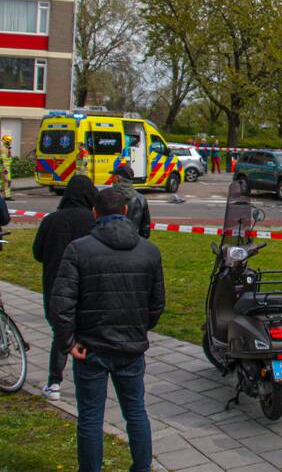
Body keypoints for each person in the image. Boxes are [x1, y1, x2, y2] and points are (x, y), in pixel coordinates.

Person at [51, 188, 165, 472]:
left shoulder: (79, 249)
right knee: (136, 412)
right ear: (126, 211)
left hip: (92, 345)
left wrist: (68, 340)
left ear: (94, 212)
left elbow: (61, 303)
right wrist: (139, 327)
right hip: (128, 345)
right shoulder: (149, 251)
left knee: (90, 416)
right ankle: (142, 467)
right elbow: (157, 303)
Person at [32, 174, 99, 402]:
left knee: (60, 334)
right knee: (87, 334)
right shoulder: (93, 221)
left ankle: (54, 382)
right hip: (87, 288)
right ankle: (88, 383)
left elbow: (38, 253)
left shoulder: (51, 220)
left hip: (55, 285)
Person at [110, 164, 151, 238]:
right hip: (133, 241)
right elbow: (145, 229)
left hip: (111, 242)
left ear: (118, 178)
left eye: (113, 176)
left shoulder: (109, 196)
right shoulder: (141, 199)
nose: (111, 179)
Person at [0, 134, 14, 200]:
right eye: (9, 141)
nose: (10, 142)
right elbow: (4, 160)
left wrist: (10, 154)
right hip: (5, 169)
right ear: (6, 141)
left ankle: (6, 195)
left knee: (6, 182)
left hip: (6, 168)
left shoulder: (6, 149)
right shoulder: (4, 149)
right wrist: (5, 170)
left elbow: (9, 160)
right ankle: (7, 196)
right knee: (6, 182)